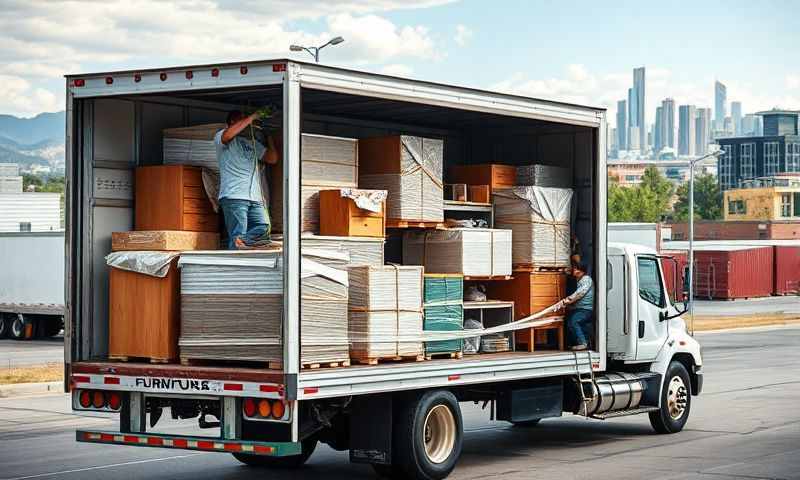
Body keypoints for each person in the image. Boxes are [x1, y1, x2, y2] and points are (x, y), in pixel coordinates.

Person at [215, 109, 279, 249]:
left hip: (255, 197)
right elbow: (227, 136)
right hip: (234, 195)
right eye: (243, 120)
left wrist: (268, 136)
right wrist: (252, 117)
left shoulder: (251, 143)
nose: (248, 124)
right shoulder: (222, 136)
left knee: (264, 227)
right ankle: (236, 262)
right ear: (232, 122)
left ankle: (241, 242)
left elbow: (272, 158)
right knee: (238, 232)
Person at [562, 261, 594, 351]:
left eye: (576, 268)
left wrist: (568, 300)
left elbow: (580, 293)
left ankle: (582, 343)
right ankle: (586, 342)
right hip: (580, 308)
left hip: (586, 309)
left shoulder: (586, 279)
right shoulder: (579, 279)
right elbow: (568, 271)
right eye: (574, 268)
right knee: (576, 323)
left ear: (582, 270)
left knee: (573, 321)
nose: (574, 270)